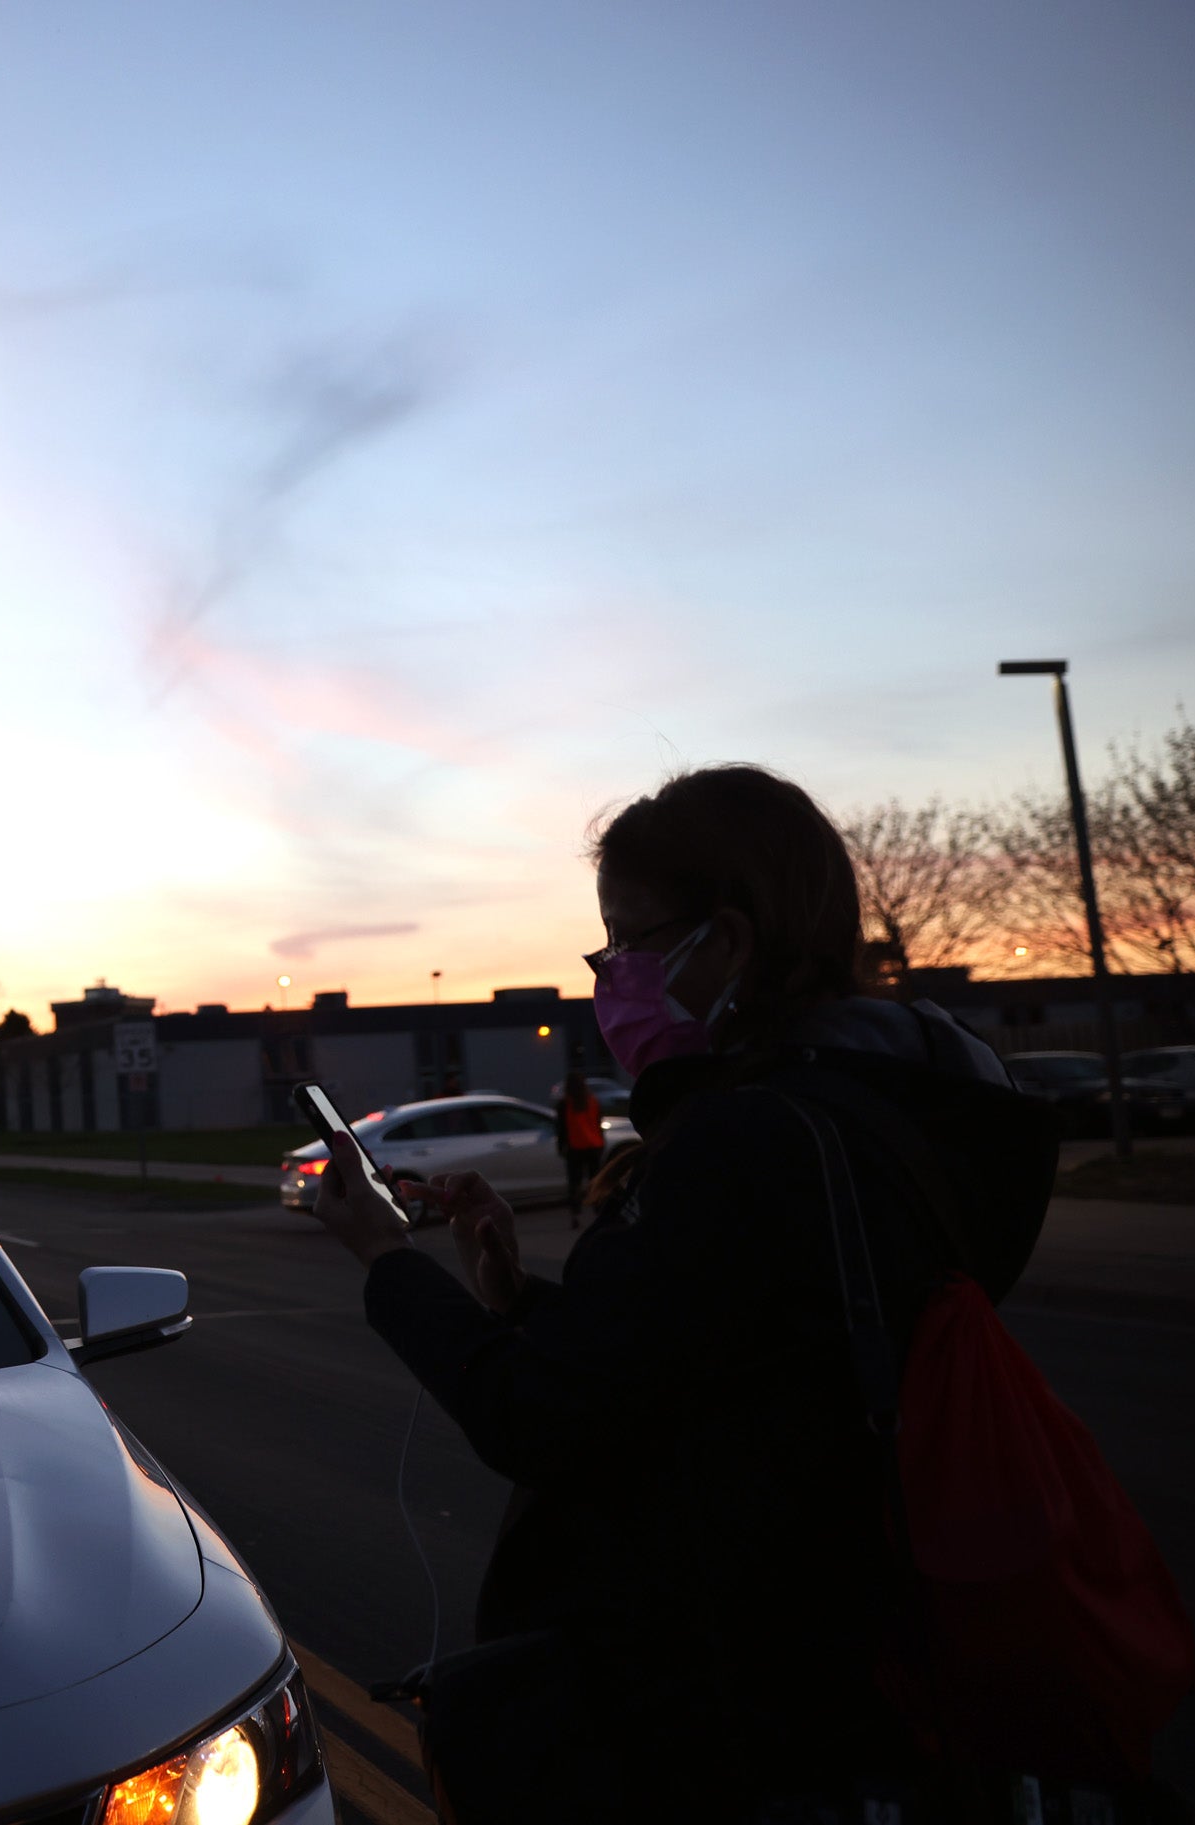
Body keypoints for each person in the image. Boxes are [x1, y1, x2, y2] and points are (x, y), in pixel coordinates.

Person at [308, 765, 1061, 1820]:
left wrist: (385, 1259)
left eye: (625, 942)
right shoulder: (901, 1114)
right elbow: (712, 1362)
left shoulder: (745, 1140)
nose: (608, 975)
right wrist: (523, 1305)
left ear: (729, 943)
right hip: (871, 1659)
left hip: (736, 1706)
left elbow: (546, 1420)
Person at [553, 1075, 606, 1228]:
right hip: (594, 1146)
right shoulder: (593, 1101)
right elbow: (598, 1124)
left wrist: (561, 1146)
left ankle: (575, 1215)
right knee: (595, 1180)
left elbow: (561, 1128)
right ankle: (598, 1211)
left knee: (574, 1183)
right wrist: (601, 1143)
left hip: (575, 1148)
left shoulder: (564, 1104)